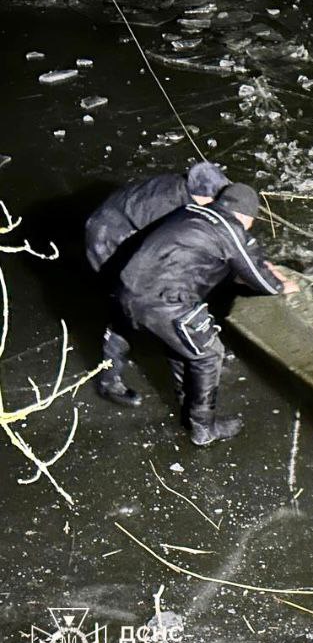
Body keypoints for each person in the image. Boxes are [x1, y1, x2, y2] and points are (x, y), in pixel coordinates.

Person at [114, 183, 299, 445]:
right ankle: (204, 429)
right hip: (164, 302)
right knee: (209, 354)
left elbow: (205, 258)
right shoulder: (231, 229)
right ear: (247, 216)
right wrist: (284, 284)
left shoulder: (190, 211)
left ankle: (187, 410)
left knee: (182, 349)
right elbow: (264, 282)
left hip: (128, 291)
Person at [87, 161, 232, 406]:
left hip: (130, 227)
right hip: (109, 239)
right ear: (199, 195)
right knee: (126, 309)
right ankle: (108, 381)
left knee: (164, 304)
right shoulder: (167, 208)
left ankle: (186, 348)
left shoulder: (188, 194)